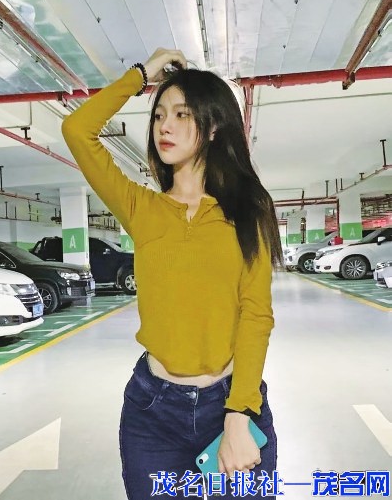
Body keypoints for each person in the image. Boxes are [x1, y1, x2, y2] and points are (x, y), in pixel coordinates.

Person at [62, 48, 283, 499]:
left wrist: (239, 414)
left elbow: (256, 315)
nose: (165, 126)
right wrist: (140, 74)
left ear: (214, 125)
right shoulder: (142, 209)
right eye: (160, 115)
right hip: (152, 413)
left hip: (232, 405)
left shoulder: (248, 211)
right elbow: (76, 130)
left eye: (182, 114)